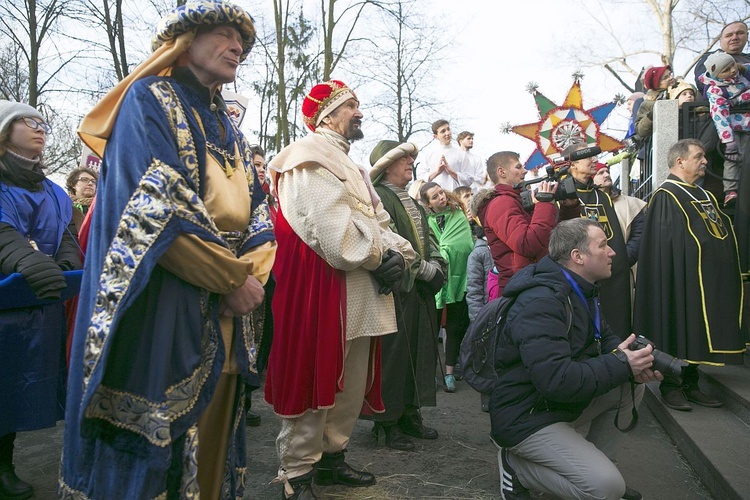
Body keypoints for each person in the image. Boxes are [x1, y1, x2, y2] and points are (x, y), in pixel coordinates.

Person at [60, 3, 277, 498]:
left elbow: (260, 215)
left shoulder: (231, 128)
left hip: (230, 308)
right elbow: (157, 208)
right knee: (157, 445)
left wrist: (250, 281)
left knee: (216, 440)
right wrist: (230, 279)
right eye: (224, 34)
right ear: (183, 42)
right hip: (164, 300)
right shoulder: (147, 100)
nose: (237, 47)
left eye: (240, 40)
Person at [265, 80, 415, 500]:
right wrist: (377, 256)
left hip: (360, 292)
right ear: (326, 115)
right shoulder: (307, 158)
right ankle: (297, 473)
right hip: (325, 290)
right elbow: (330, 235)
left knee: (348, 383)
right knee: (318, 378)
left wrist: (400, 255)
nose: (359, 111)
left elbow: (380, 223)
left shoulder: (354, 166)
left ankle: (332, 459)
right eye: (351, 105)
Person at [491, 218, 660, 500]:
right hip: (526, 415)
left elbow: (604, 337)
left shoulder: (580, 289)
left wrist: (631, 357)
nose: (613, 252)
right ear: (578, 256)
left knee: (630, 384)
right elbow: (555, 380)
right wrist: (621, 363)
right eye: (603, 245)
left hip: (552, 405)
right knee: (607, 489)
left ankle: (595, 468)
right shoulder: (541, 302)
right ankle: (517, 467)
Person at [0, 100, 82, 500]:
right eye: (28, 121)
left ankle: (5, 461)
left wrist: (68, 261)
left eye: (43, 121)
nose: (40, 127)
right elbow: (3, 231)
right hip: (8, 299)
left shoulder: (50, 189)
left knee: (15, 385)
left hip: (37, 302)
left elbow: (64, 231)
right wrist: (26, 260)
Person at [634, 139, 745, 412]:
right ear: (680, 161)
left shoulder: (704, 195)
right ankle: (671, 385)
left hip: (706, 277)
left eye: (705, 156)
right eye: (699, 156)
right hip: (679, 277)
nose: (705, 161)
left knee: (695, 331)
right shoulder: (666, 195)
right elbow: (667, 245)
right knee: (678, 325)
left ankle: (691, 383)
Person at [367, 140, 446, 451]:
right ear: (387, 165)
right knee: (393, 355)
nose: (411, 162)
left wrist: (437, 264)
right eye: (403, 159)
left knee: (418, 351)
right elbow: (387, 240)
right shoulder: (379, 197)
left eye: (412, 157)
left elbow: (428, 236)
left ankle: (409, 414)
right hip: (395, 289)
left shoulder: (410, 199)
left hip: (417, 291)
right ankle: (386, 423)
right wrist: (420, 268)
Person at [560, 142, 632, 339]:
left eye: (594, 156)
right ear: (572, 164)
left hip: (614, 274)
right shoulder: (562, 197)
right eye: (587, 157)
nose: (594, 160)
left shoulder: (603, 196)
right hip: (581, 275)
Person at [474, 151, 558, 298]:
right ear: (502, 172)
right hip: (521, 291)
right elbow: (526, 243)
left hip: (534, 283)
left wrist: (569, 206)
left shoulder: (517, 199)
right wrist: (544, 206)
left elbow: (551, 234)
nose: (524, 171)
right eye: (518, 167)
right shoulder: (501, 203)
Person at [420, 181, 474, 393]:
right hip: (434, 280)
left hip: (458, 279)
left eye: (441, 192)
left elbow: (466, 245)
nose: (441, 197)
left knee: (454, 327)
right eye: (435, 196)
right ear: (428, 203)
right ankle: (429, 374)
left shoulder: (458, 215)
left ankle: (450, 372)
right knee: (431, 329)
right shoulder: (424, 221)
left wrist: (447, 250)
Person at [698, 51, 750, 205]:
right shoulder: (715, 90)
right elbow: (719, 116)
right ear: (717, 74)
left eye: (732, 65)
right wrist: (729, 141)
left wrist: (738, 99)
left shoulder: (742, 73)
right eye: (726, 70)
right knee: (733, 159)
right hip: (733, 129)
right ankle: (731, 191)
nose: (732, 70)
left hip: (747, 124)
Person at [415, 119, 483, 191]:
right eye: (443, 131)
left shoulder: (461, 154)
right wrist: (437, 172)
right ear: (436, 136)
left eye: (448, 129)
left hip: (455, 196)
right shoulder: (429, 154)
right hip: (436, 197)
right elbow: (420, 177)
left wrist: (452, 172)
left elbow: (469, 179)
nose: (447, 133)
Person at [694, 21, 750, 96]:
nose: (734, 38)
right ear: (721, 40)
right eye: (729, 35)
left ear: (747, 36)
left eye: (740, 33)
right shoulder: (710, 59)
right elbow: (703, 84)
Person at [633, 65, 676, 144]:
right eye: (665, 77)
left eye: (670, 74)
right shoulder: (648, 103)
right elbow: (640, 130)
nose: (671, 78)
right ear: (656, 83)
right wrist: (651, 115)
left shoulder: (684, 89)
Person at [64, 167, 98, 235]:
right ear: (74, 184)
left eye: (93, 181)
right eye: (85, 180)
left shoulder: (101, 207)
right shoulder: (64, 206)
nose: (90, 183)